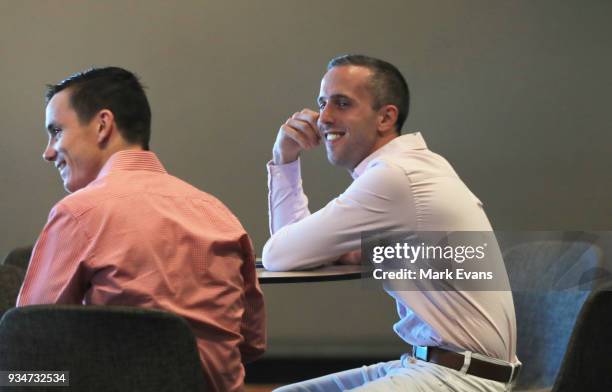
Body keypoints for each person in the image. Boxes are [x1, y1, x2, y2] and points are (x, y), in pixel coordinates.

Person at [262, 55, 519, 391]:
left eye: (341, 103)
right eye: (321, 103)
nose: (323, 117)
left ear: (385, 117)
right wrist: (286, 159)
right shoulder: (409, 168)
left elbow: (279, 256)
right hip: (430, 364)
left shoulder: (396, 177)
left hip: (462, 378)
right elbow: (292, 253)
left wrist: (284, 161)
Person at [17, 67, 265, 392]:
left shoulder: (80, 213)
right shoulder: (219, 214)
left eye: (56, 131)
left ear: (103, 125)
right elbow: (251, 344)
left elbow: (28, 344)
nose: (48, 151)